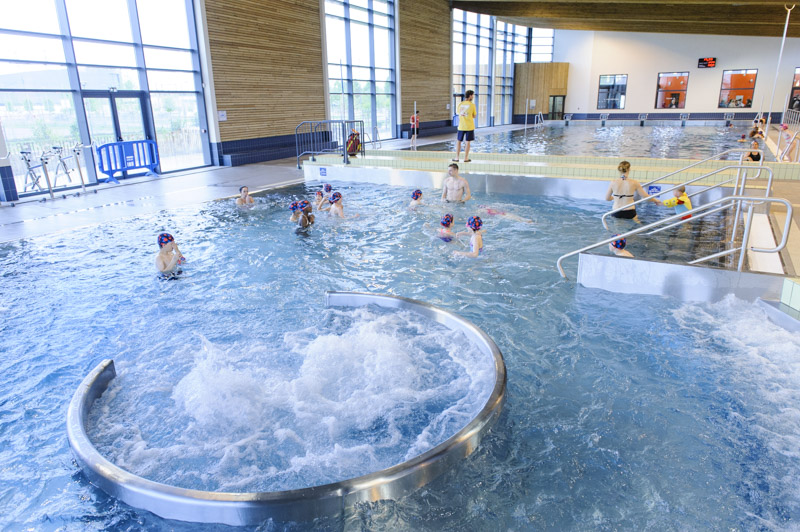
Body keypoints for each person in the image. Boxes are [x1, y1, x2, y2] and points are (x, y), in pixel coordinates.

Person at [454, 90, 477, 163]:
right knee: (467, 142)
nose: (473, 96)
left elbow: (459, 114)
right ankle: (466, 158)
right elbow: (474, 115)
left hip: (461, 126)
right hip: (469, 126)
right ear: (470, 96)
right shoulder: (472, 105)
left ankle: (457, 157)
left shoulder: (460, 104)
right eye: (472, 95)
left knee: (458, 141)